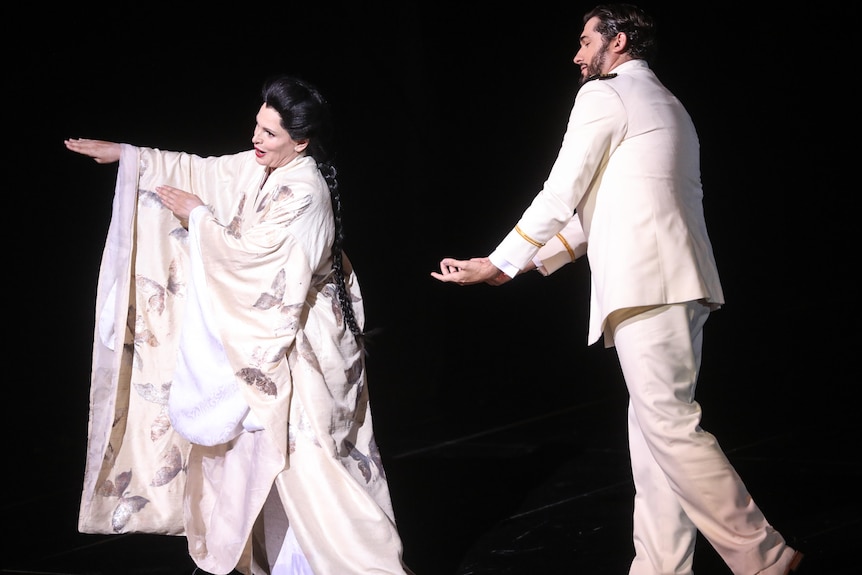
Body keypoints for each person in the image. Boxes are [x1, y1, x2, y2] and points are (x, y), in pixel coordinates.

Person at [430, 4, 804, 575]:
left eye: (585, 42)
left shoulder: (605, 96)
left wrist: (499, 261)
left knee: (670, 427)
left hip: (647, 282)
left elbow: (562, 193)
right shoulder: (668, 103)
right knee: (654, 436)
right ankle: (659, 567)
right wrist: (517, 267)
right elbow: (595, 213)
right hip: (679, 282)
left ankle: (764, 556)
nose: (577, 56)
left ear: (618, 42)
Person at [65, 74, 414, 575]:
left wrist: (201, 218)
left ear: (302, 141)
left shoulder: (304, 190)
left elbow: (260, 266)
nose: (256, 139)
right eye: (257, 125)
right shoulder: (270, 170)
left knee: (312, 468)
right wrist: (131, 157)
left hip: (301, 345)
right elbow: (208, 172)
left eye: (270, 134)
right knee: (270, 468)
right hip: (280, 343)